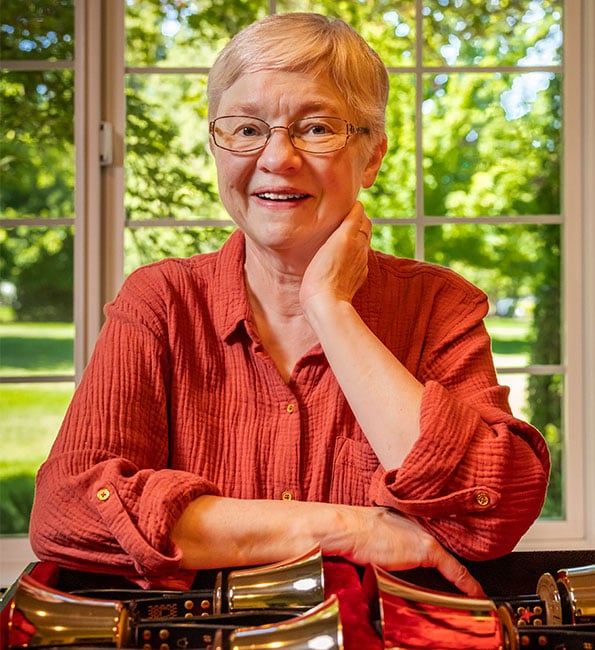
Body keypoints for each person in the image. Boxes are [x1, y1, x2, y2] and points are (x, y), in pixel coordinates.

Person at [30, 12, 549, 598]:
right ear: (217, 149)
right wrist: (347, 528)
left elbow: (492, 513)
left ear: (372, 156)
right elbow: (68, 511)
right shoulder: (162, 303)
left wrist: (330, 307)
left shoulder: (438, 306)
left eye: (317, 128)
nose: (277, 158)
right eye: (247, 129)